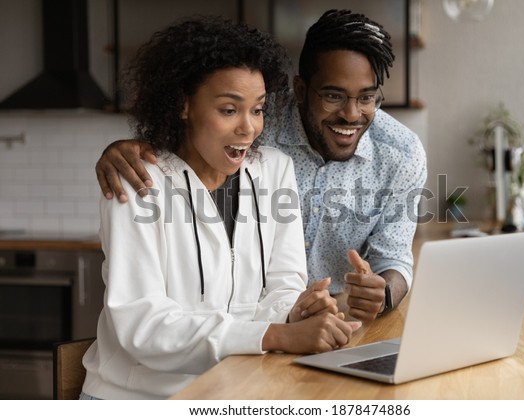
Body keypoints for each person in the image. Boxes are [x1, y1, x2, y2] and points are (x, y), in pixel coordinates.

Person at [81, 15, 360, 400]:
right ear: (183, 105)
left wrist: (297, 311)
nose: (248, 128)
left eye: (258, 109)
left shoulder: (274, 170)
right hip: (139, 398)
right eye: (229, 110)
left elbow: (283, 282)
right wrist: (277, 334)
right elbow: (142, 326)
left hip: (233, 387)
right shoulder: (137, 181)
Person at [95, 10, 427, 323]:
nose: (352, 114)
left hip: (317, 318)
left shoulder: (400, 153)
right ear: (300, 90)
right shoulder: (259, 129)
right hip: (257, 330)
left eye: (367, 98)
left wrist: (382, 294)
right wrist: (129, 149)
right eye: (333, 96)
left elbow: (394, 256)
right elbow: (191, 136)